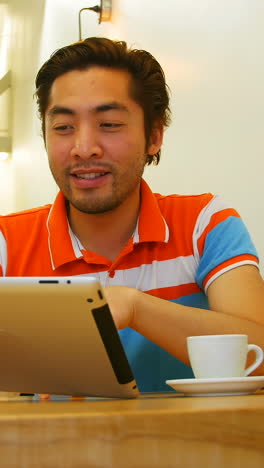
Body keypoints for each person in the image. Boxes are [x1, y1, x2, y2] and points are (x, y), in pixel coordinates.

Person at [0, 37, 264, 393]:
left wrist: (136, 309)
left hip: (191, 446)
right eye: (63, 127)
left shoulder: (204, 223)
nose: (84, 148)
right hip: (53, 448)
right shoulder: (7, 243)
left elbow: (259, 352)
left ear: (154, 136)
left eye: (109, 124)